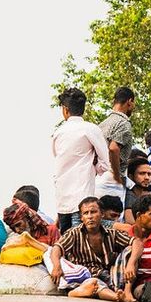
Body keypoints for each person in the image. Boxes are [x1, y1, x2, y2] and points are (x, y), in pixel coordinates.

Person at [49, 196, 137, 302]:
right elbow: (57, 248)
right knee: (94, 284)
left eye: (93, 212)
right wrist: (57, 266)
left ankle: (126, 292)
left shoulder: (112, 233)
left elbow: (137, 242)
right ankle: (117, 297)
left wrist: (131, 263)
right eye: (86, 213)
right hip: (86, 277)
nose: (90, 216)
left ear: (102, 214)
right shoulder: (74, 233)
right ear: (81, 218)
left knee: (130, 250)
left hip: (108, 275)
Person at [52, 87, 109, 232]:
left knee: (66, 244)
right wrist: (94, 169)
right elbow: (105, 162)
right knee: (80, 243)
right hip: (83, 197)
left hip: (62, 199)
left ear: (65, 110)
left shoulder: (58, 132)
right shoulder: (91, 129)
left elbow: (56, 158)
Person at [97, 86, 135, 202]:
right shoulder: (123, 123)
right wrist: (117, 176)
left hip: (98, 177)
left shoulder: (102, 124)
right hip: (112, 178)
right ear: (129, 102)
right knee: (114, 217)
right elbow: (113, 148)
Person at [124, 157, 151, 223]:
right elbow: (130, 222)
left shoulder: (141, 196)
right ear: (130, 176)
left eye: (149, 174)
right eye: (142, 173)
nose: (147, 178)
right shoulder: (129, 195)